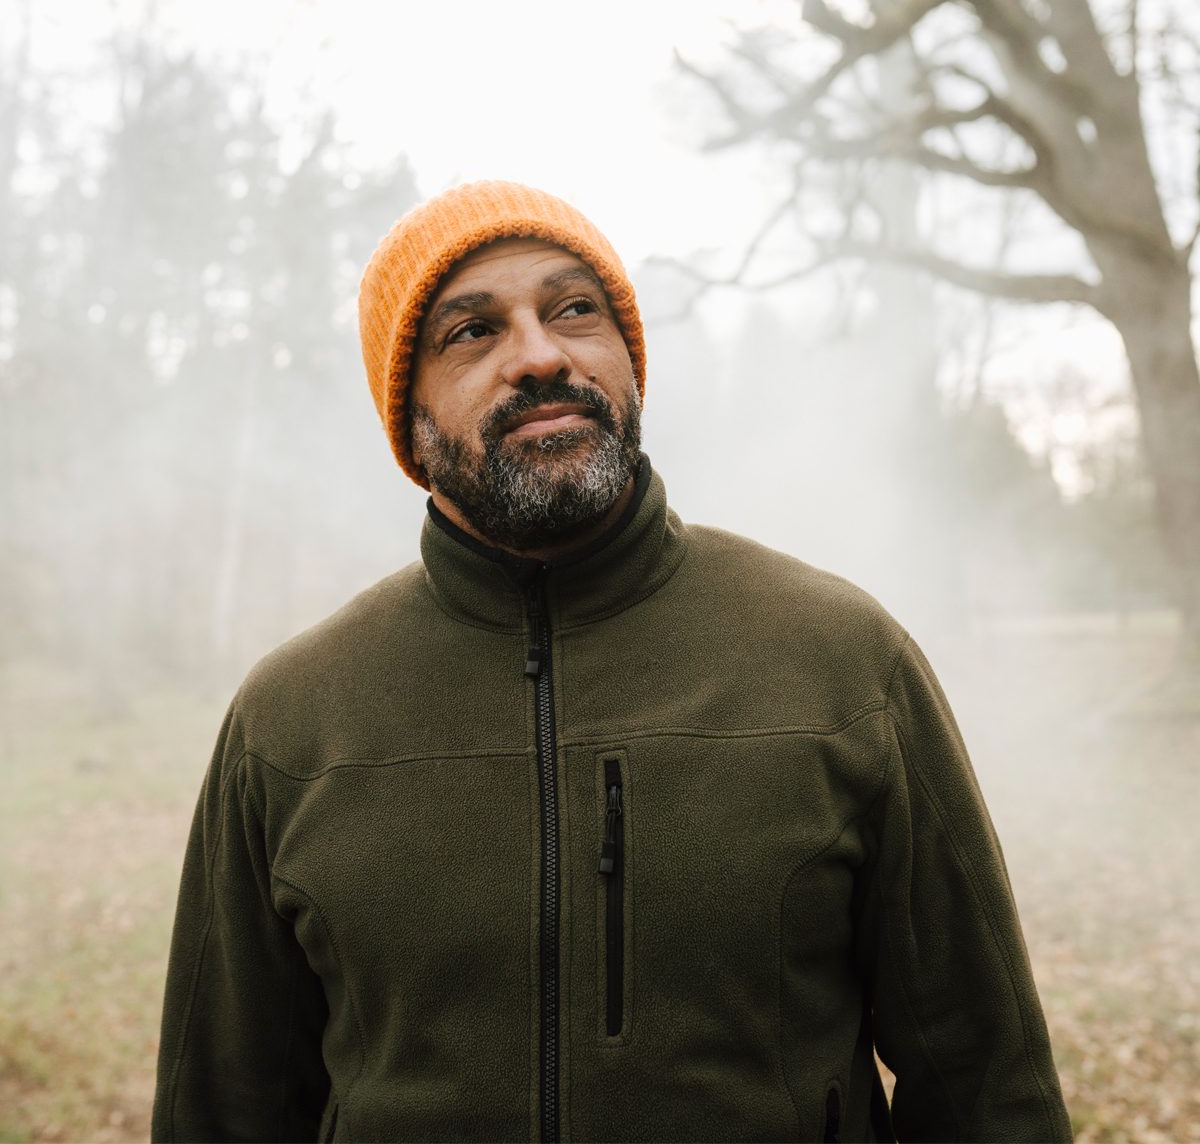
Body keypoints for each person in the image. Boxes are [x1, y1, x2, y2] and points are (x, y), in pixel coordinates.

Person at [152, 180, 1072, 1143]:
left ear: (628, 359)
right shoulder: (293, 720)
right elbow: (223, 1108)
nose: (540, 355)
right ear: (408, 418)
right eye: (472, 331)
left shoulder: (842, 664)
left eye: (574, 310)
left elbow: (987, 1083)